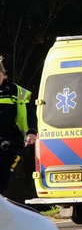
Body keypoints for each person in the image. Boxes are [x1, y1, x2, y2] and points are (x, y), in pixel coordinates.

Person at [0, 57, 37, 196]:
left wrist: (31, 132)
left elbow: (30, 113)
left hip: (10, 140)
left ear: (3, 74)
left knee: (4, 177)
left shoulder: (15, 91)